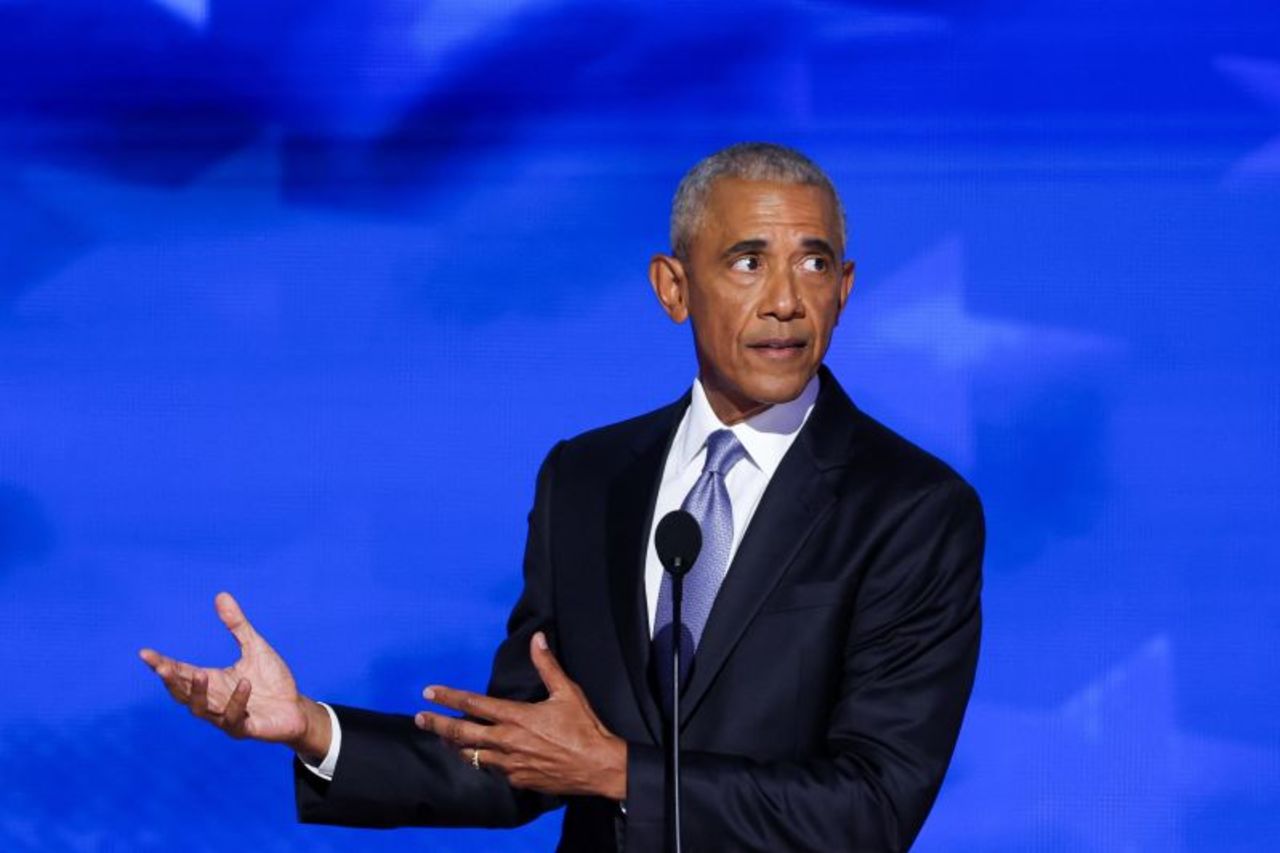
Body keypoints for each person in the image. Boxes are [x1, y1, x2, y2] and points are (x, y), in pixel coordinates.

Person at [140, 142, 984, 851]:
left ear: (845, 287)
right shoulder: (588, 477)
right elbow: (521, 752)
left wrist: (616, 770)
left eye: (815, 261)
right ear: (673, 287)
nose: (787, 300)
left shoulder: (911, 507)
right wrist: (312, 728)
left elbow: (872, 807)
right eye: (748, 261)